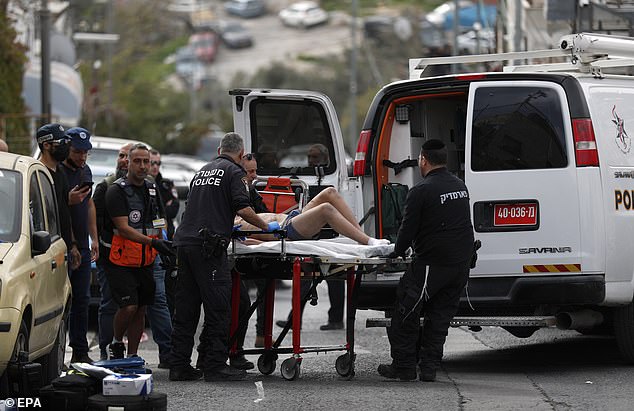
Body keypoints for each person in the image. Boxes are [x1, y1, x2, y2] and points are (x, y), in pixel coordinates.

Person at [169, 132, 277, 382]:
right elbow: (243, 207)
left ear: (219, 150)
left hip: (185, 244)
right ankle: (215, 365)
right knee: (219, 307)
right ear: (240, 155)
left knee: (186, 308)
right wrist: (264, 225)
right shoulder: (234, 172)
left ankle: (179, 365)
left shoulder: (202, 170)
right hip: (209, 247)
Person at [377, 139, 475, 382]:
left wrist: (395, 253)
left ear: (423, 160)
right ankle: (429, 369)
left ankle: (404, 368)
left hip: (433, 264)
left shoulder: (421, 190)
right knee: (439, 318)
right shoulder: (460, 186)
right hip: (460, 265)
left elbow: (407, 230)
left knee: (404, 312)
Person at [104, 143, 174, 360]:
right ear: (128, 163)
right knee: (128, 306)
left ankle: (133, 355)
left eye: (147, 162)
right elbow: (123, 229)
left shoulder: (152, 189)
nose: (143, 166)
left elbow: (160, 218)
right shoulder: (116, 190)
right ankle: (116, 342)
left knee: (142, 309)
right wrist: (153, 243)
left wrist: (164, 240)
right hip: (122, 260)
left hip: (147, 260)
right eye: (138, 161)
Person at [60, 127, 99, 364]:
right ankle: (55, 352)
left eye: (85, 152)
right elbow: (58, 210)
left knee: (83, 299)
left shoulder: (85, 171)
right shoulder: (57, 173)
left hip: (82, 246)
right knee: (61, 301)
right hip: (63, 246)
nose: (82, 157)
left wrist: (93, 239)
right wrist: (73, 243)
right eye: (77, 152)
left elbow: (89, 205)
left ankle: (80, 351)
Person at [235, 186, 388, 246]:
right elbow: (247, 243)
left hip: (290, 218)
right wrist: (264, 245)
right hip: (285, 230)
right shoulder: (232, 227)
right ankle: (369, 242)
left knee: (330, 192)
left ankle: (361, 237)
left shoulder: (241, 214)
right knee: (326, 210)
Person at [93, 142, 133, 360]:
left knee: (134, 305)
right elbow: (96, 222)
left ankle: (126, 350)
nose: (124, 160)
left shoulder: (145, 187)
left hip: (136, 257)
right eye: (121, 156)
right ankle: (105, 350)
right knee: (108, 303)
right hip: (110, 256)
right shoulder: (105, 187)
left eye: (128, 156)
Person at [144, 148, 177, 367]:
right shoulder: (118, 187)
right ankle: (118, 352)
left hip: (158, 250)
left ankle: (168, 352)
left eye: (156, 162)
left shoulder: (160, 186)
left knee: (161, 300)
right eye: (149, 162)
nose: (153, 166)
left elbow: (169, 212)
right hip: (129, 254)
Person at [35, 124, 82, 272]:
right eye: (61, 143)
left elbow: (64, 211)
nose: (66, 147)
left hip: (63, 247)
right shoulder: (37, 175)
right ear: (46, 145)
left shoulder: (60, 172)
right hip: (45, 252)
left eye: (67, 143)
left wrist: (73, 244)